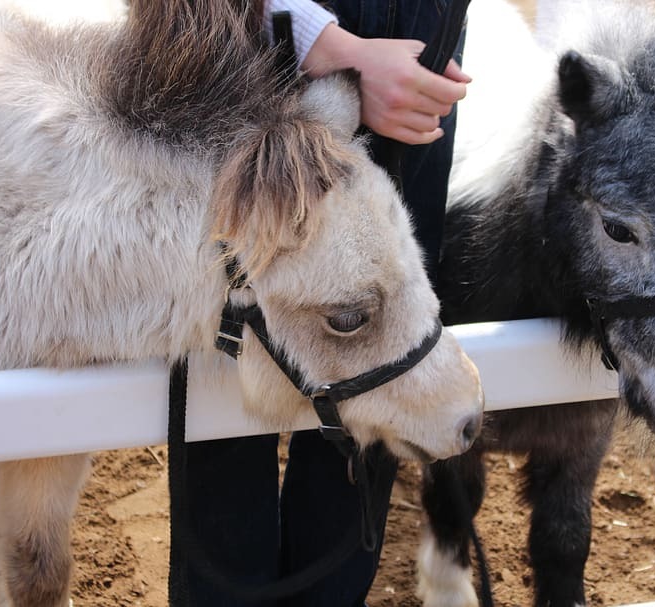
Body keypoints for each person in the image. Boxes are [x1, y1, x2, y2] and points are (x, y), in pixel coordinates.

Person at [172, 2, 469, 605]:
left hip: (411, 75)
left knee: (381, 362)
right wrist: (332, 47)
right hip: (250, 59)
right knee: (228, 358)